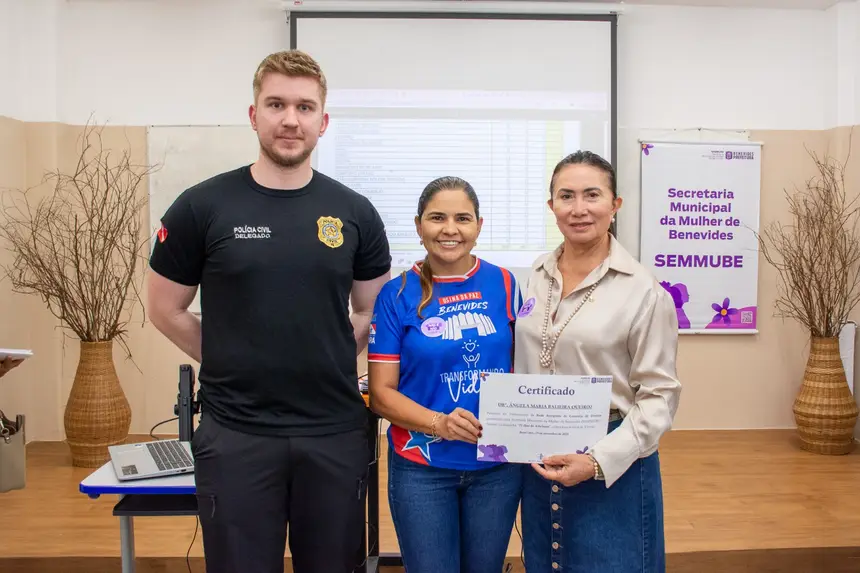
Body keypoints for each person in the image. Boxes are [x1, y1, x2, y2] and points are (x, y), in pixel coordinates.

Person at [147, 49, 391, 573]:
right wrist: (228, 358)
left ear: (323, 121)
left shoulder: (355, 212)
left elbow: (371, 312)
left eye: (305, 107)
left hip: (333, 431)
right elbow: (165, 309)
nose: (290, 119)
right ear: (253, 114)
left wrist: (326, 355)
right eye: (276, 104)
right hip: (236, 432)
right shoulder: (201, 206)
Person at [514, 151, 681, 572]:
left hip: (612, 459)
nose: (579, 208)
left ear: (614, 204)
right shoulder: (535, 275)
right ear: (552, 205)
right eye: (566, 196)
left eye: (592, 195)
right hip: (539, 453)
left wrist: (596, 461)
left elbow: (660, 396)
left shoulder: (644, 291)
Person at [367, 176, 523, 573]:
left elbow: (526, 371)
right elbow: (382, 394)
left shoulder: (506, 283)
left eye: (462, 218)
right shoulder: (395, 294)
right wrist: (440, 424)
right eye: (437, 217)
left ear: (479, 226)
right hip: (422, 468)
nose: (450, 229)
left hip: (496, 468)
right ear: (418, 226)